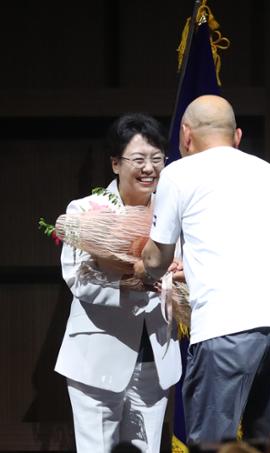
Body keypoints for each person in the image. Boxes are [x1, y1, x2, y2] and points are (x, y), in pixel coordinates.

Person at [136, 95, 270, 453]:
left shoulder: (178, 172)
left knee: (214, 448)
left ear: (185, 136)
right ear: (236, 136)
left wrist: (138, 266)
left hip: (227, 328)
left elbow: (157, 259)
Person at [54, 113, 181, 453]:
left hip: (154, 357)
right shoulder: (87, 211)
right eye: (138, 160)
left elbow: (184, 273)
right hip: (96, 358)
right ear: (115, 163)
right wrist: (130, 282)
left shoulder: (171, 214)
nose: (149, 168)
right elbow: (77, 278)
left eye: (157, 159)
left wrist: (179, 277)